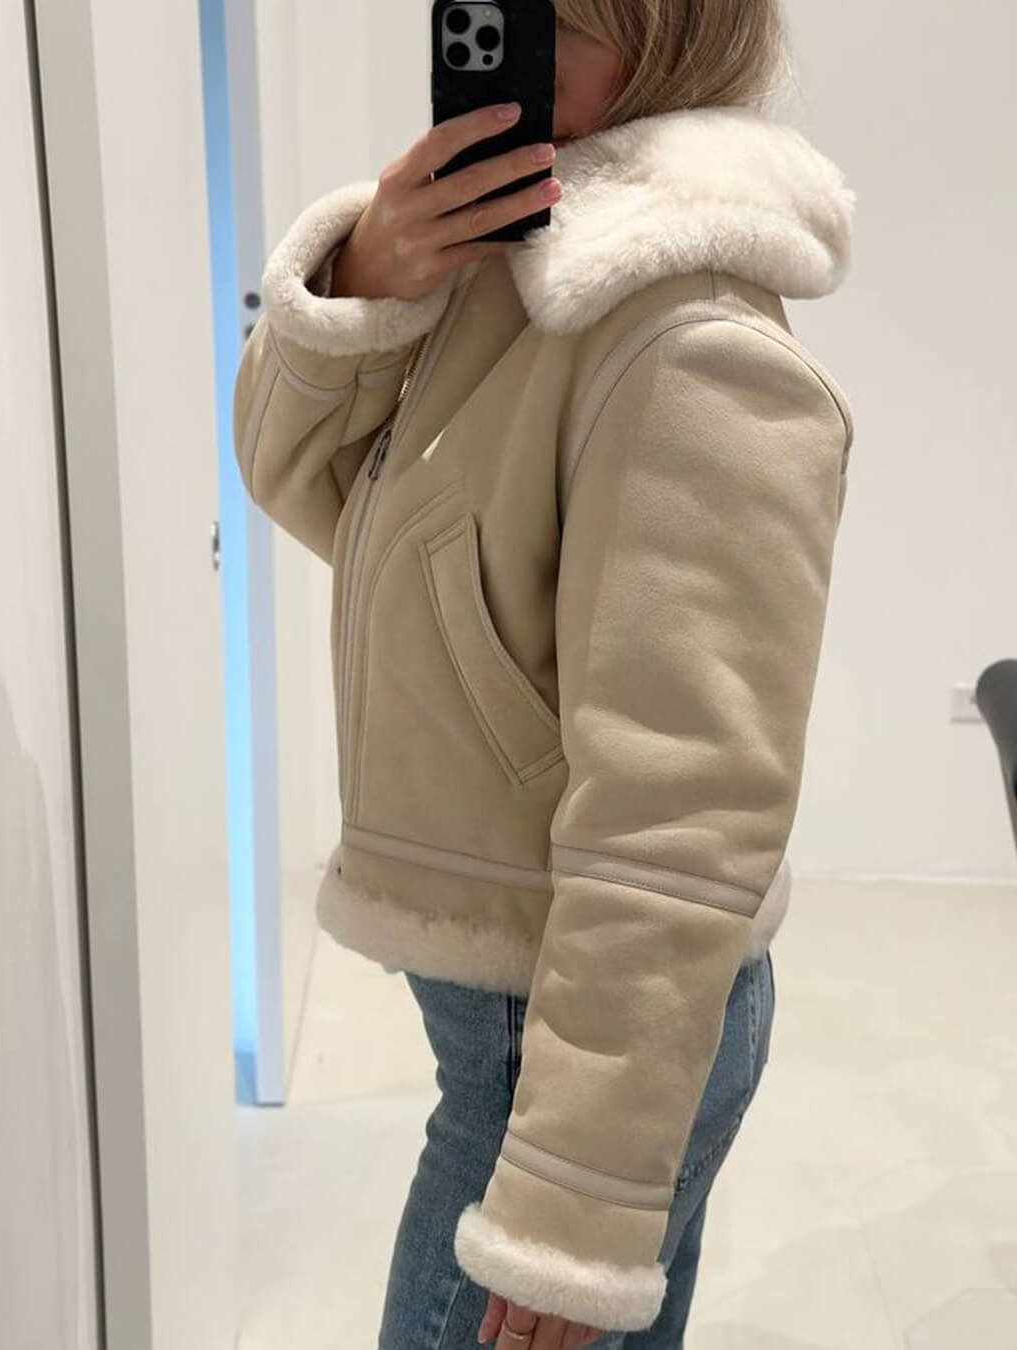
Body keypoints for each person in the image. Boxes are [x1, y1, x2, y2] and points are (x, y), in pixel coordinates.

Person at [232, 0, 855, 1346]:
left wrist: (573, 1208)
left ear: (676, 41)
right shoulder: (512, 270)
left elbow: (686, 805)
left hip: (569, 1033)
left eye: (559, 18)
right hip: (522, 1018)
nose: (504, 37)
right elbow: (306, 482)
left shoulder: (689, 335)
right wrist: (367, 278)